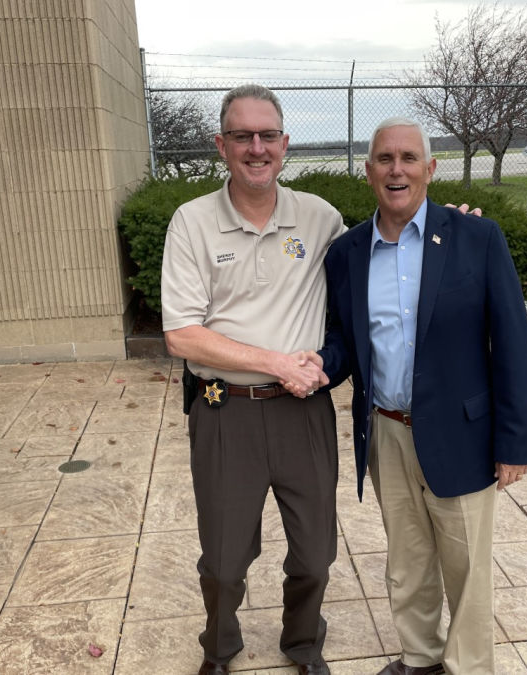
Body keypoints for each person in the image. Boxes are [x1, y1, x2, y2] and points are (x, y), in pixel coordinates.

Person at [311, 117, 527, 674]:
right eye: (385, 159)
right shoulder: (347, 254)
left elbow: (512, 342)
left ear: (430, 169)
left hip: (464, 434)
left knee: (466, 570)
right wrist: (315, 367)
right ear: (368, 172)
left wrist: (516, 442)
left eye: (409, 158)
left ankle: (467, 668)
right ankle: (419, 657)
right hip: (386, 430)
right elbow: (344, 339)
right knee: (407, 562)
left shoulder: (476, 238)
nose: (397, 170)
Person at [161, 84, 344, 675]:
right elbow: (181, 336)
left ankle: (303, 644)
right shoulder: (192, 223)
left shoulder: (319, 218)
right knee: (222, 559)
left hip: (303, 414)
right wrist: (276, 362)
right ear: (222, 145)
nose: (256, 148)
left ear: (286, 144)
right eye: (242, 136)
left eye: (268, 136)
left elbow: (375, 272)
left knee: (316, 555)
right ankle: (219, 650)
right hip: (224, 412)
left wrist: (452, 226)